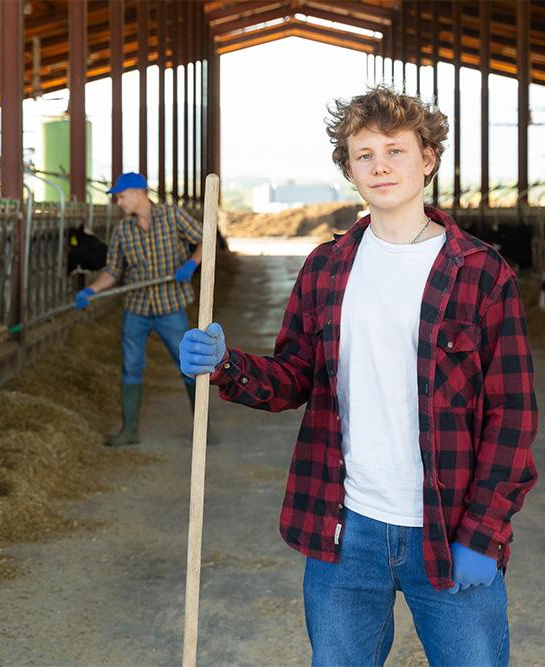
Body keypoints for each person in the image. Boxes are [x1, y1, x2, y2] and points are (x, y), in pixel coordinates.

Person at [179, 87, 538, 665]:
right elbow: (295, 377)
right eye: (363, 154)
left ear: (428, 159)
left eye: (395, 150)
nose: (380, 166)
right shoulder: (326, 267)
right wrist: (226, 366)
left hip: (448, 530)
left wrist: (484, 530)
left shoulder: (480, 272)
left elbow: (513, 414)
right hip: (345, 530)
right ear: (349, 169)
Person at [75, 171, 203, 446]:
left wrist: (192, 263)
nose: (119, 203)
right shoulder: (123, 230)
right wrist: (91, 290)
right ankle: (129, 430)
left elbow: (206, 240)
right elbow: (113, 270)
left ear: (138, 193)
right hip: (136, 308)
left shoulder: (172, 216)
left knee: (188, 365)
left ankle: (203, 427)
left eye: (121, 197)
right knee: (131, 367)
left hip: (170, 306)